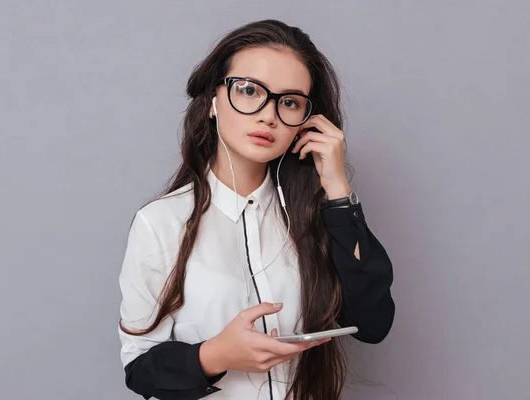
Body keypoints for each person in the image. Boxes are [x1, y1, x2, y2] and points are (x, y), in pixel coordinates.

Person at [118, 19, 395, 400]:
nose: (268, 114)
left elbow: (373, 322)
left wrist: (337, 189)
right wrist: (215, 354)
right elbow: (140, 371)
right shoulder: (161, 223)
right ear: (214, 101)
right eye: (249, 90)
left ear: (305, 121)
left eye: (290, 102)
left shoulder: (315, 216)